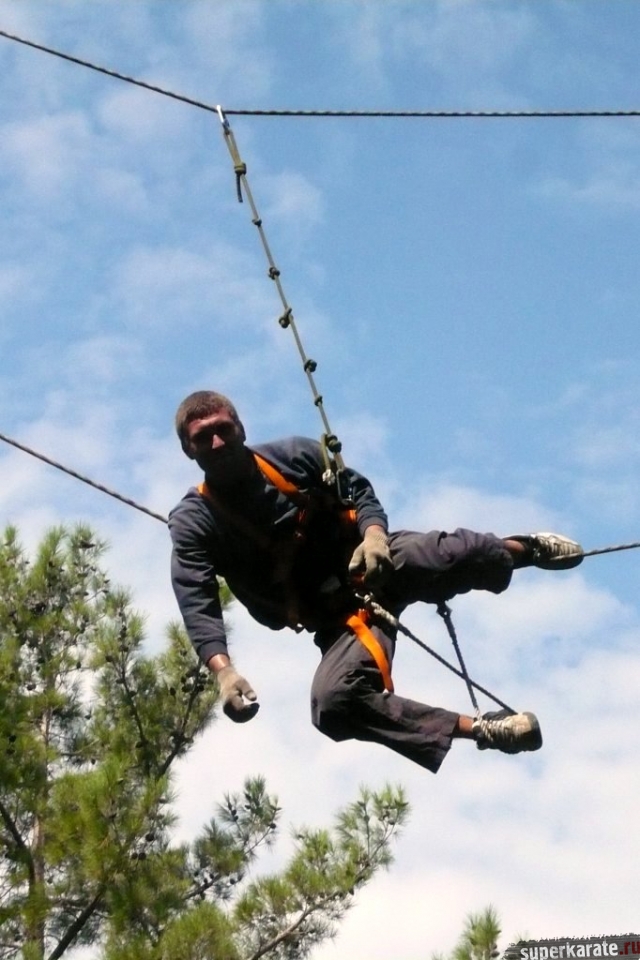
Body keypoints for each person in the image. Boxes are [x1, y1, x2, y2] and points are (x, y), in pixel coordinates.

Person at [168, 390, 584, 774]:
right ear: (188, 449)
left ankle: (524, 550)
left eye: (223, 429)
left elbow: (357, 489)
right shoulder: (194, 521)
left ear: (240, 428)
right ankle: (484, 729)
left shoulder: (293, 456)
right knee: (332, 704)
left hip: (373, 563)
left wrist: (373, 536)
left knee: (454, 552)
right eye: (203, 437)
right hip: (335, 618)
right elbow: (196, 597)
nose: (217, 443)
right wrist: (224, 671)